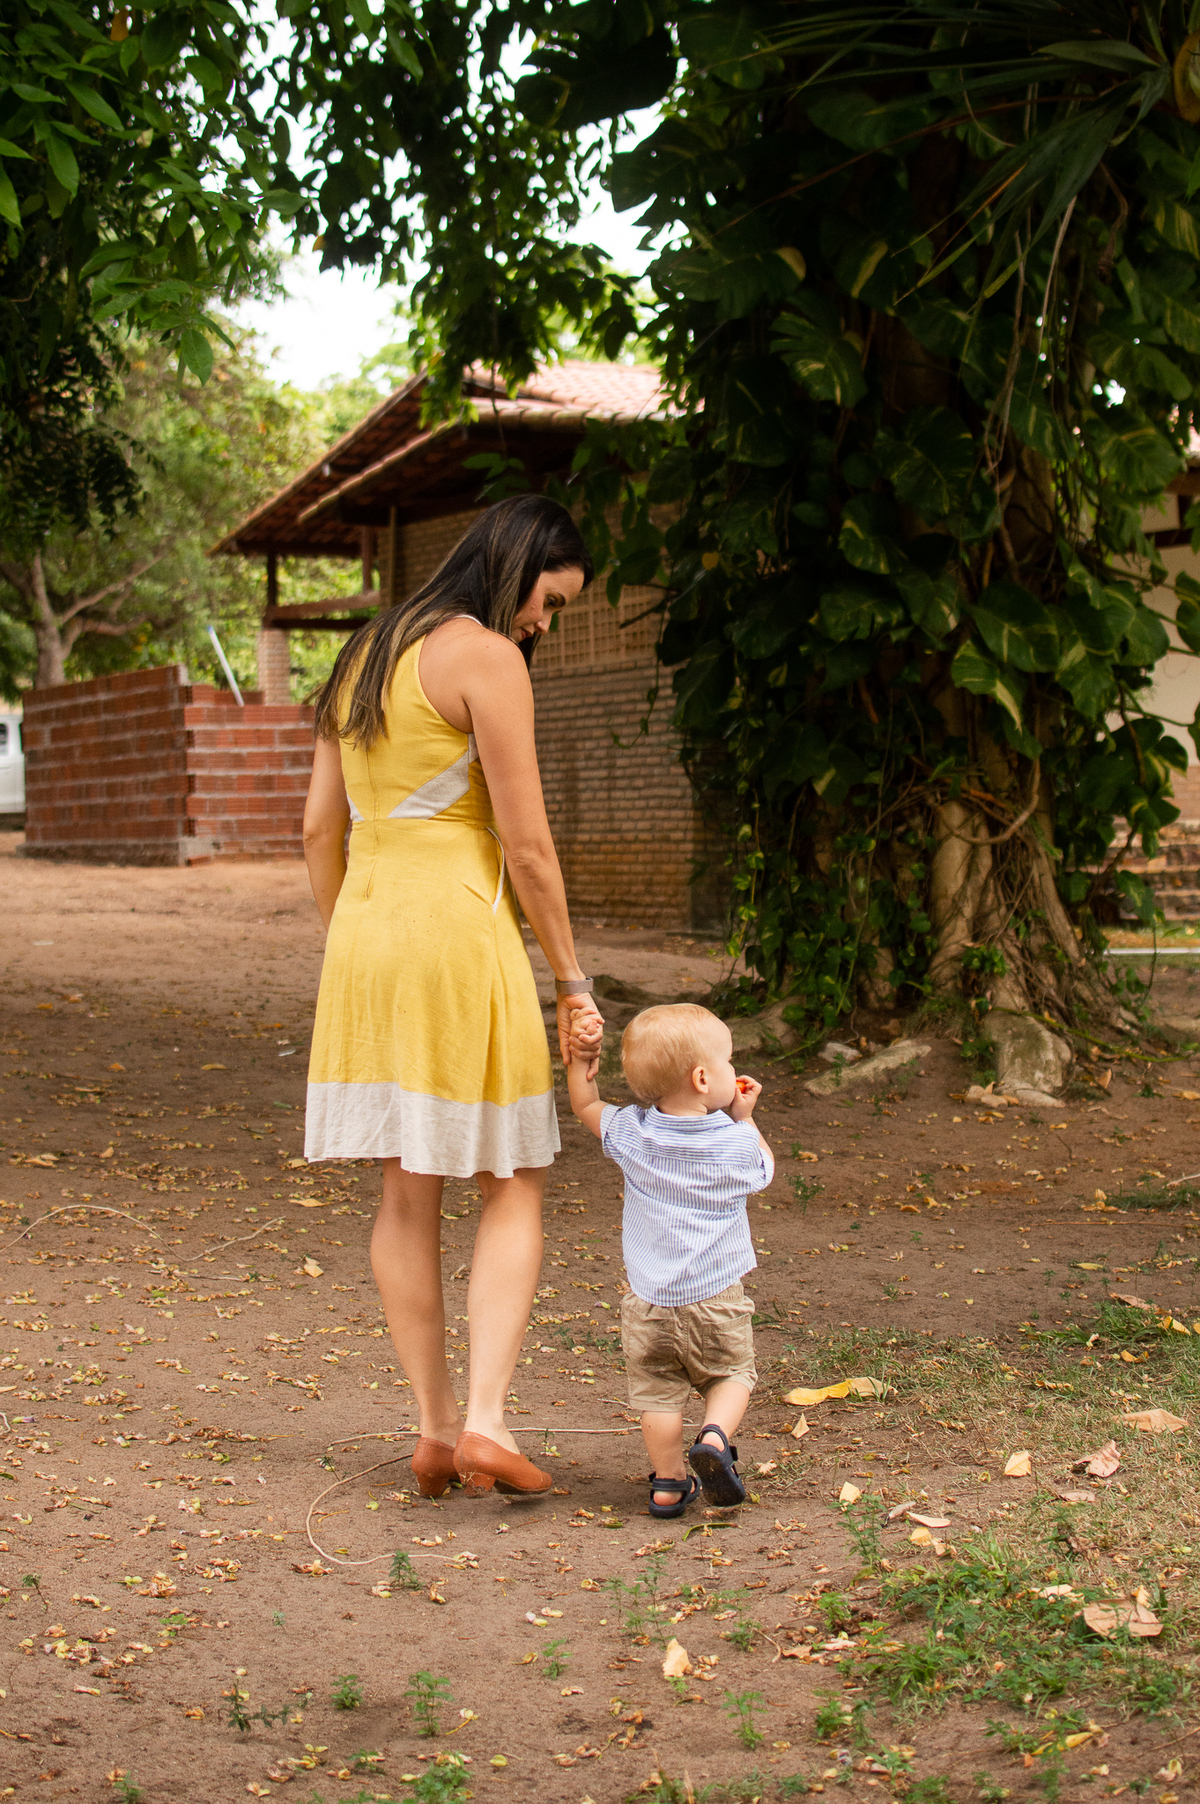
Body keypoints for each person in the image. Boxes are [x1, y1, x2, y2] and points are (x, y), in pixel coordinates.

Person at [302, 494, 604, 1500]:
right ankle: (484, 1421)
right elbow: (526, 846)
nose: (541, 624)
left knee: (405, 1185)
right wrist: (571, 980)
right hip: (456, 932)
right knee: (513, 1176)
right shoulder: (484, 657)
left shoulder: (362, 654)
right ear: (514, 567)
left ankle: (432, 1428)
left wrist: (352, 938)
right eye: (547, 602)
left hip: (366, 931)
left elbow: (316, 830)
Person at [566, 1002, 773, 1518]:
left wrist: (579, 1062)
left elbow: (586, 1106)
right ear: (703, 1078)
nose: (732, 1070)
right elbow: (764, 1168)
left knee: (657, 1396)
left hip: (648, 1303)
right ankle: (715, 1438)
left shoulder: (633, 1133)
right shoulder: (733, 1143)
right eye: (728, 1062)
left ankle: (668, 1484)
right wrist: (745, 1120)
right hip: (716, 1296)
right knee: (732, 1375)